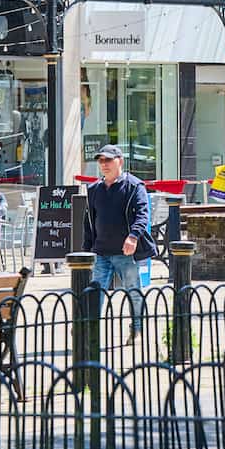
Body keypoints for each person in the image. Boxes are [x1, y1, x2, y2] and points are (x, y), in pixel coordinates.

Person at [83, 144, 151, 344]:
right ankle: (90, 330)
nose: (104, 164)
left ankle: (137, 329)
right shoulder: (94, 189)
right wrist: (86, 250)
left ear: (119, 161)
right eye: (100, 160)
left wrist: (133, 236)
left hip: (125, 253)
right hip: (101, 252)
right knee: (95, 293)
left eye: (108, 160)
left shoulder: (134, 186)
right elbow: (89, 221)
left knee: (134, 291)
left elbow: (142, 214)